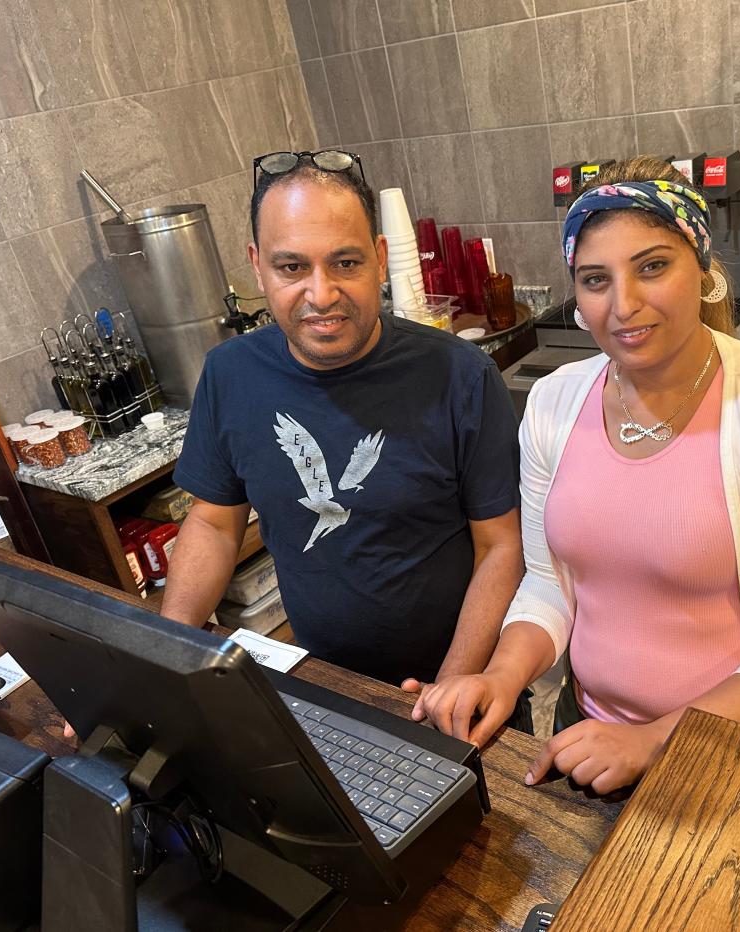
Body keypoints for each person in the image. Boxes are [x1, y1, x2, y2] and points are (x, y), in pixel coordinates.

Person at [412, 156, 740, 792]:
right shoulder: (554, 404)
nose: (624, 305)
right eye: (595, 279)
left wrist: (656, 739)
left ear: (703, 270)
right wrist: (500, 676)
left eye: (653, 266)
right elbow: (553, 582)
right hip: (592, 734)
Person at [165, 149, 526, 720]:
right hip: (320, 686)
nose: (321, 293)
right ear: (257, 267)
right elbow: (213, 521)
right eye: (291, 268)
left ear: (380, 260)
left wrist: (451, 687)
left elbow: (502, 545)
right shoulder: (230, 374)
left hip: (463, 687)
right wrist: (167, 655)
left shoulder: (459, 375)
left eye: (345, 263)